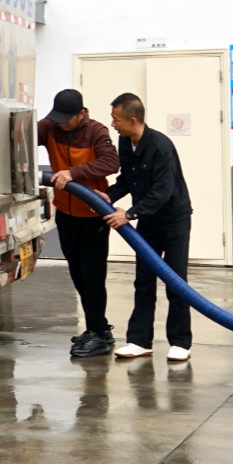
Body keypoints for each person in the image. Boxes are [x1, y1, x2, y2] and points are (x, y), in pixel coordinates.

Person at [102, 92, 195, 362]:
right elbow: (127, 179)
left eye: (116, 119)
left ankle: (180, 342)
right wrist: (108, 196)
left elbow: (162, 191)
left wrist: (129, 214)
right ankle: (139, 341)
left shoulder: (161, 146)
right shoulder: (125, 142)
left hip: (174, 220)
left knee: (175, 281)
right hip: (148, 220)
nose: (113, 124)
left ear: (132, 120)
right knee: (143, 280)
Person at [38, 88, 121, 358]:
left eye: (67, 119)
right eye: (58, 119)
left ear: (81, 113)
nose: (61, 124)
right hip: (66, 213)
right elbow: (21, 135)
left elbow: (111, 163)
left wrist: (73, 173)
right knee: (77, 274)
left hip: (93, 216)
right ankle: (99, 328)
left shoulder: (96, 131)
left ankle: (98, 334)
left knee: (92, 277)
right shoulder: (50, 127)